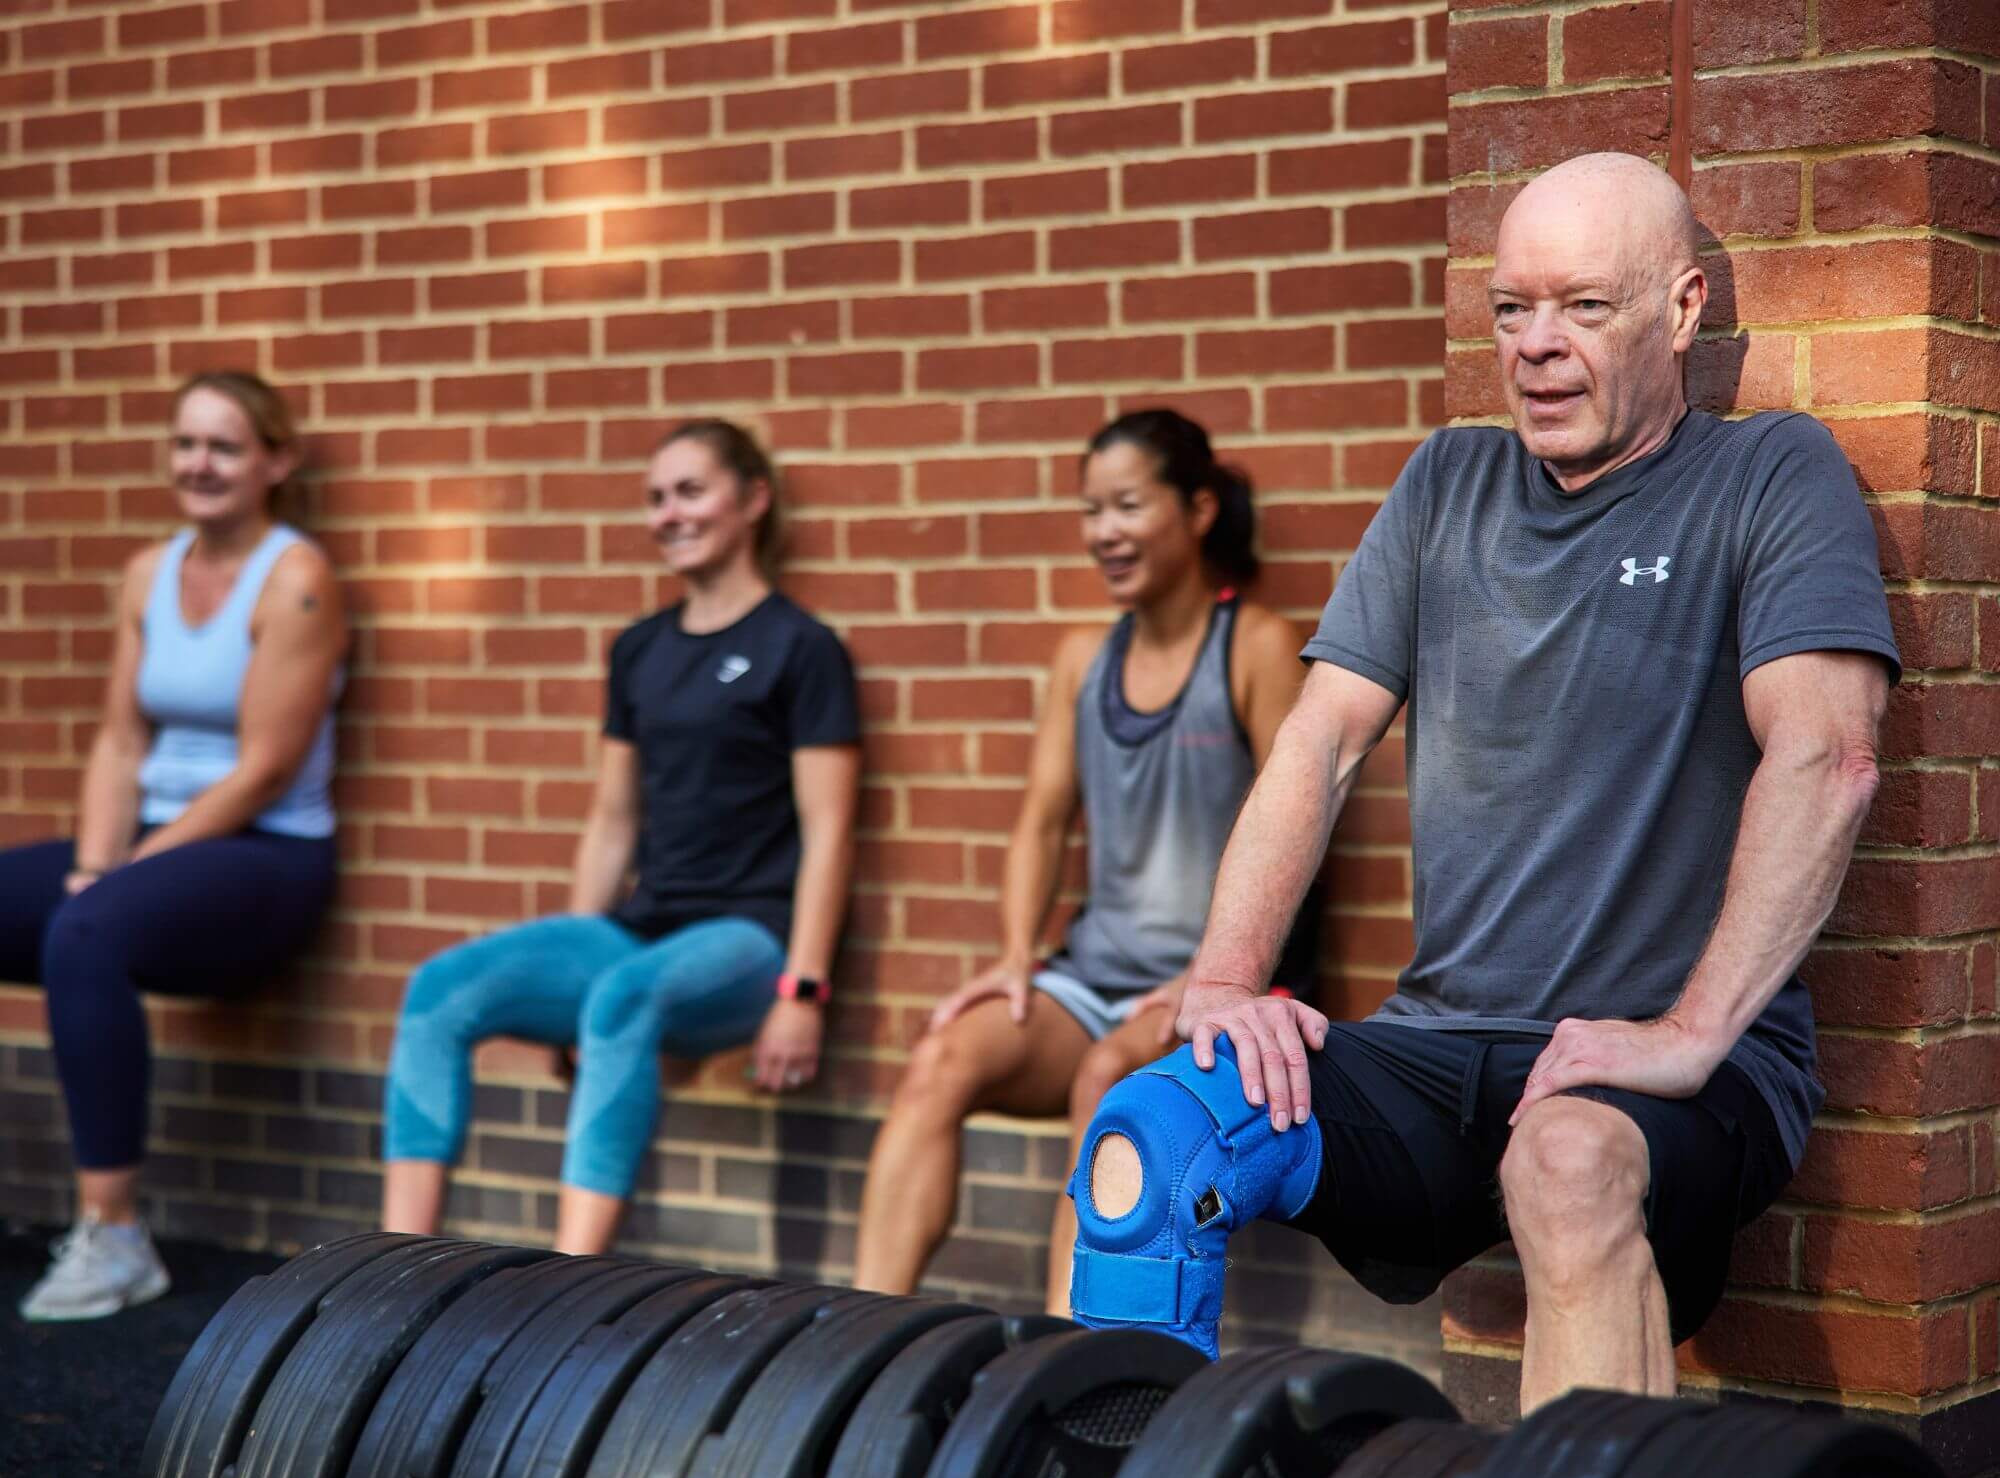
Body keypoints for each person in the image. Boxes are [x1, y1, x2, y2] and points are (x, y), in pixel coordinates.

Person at [1067, 153, 1899, 1406]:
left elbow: (1825, 756)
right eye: (1512, 309)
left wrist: (1684, 1037)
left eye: (1581, 307)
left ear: (1680, 313)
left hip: (1672, 1072)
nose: (1535, 346)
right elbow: (1318, 741)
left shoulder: (1767, 477)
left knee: (1563, 1164)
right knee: (1151, 1135)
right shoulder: (1444, 483)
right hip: (1436, 1050)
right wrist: (1227, 982)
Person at [853, 409, 1314, 1313]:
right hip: (1094, 974)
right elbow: (1039, 822)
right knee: (942, 1056)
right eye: (1090, 511)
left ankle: (1065, 1357)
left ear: (1199, 510)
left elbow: (1298, 829)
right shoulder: (1081, 659)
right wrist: (1018, 957)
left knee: (1108, 1079)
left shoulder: (1255, 645)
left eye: (1128, 506)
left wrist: (1214, 975)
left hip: (1221, 986)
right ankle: (858, 1337)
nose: (1103, 532)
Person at [380, 419, 860, 1255]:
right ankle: (395, 1265)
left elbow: (831, 830)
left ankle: (571, 1279)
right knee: (438, 991)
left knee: (623, 997)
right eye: (655, 497)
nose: (668, 514)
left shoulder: (801, 649)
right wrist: (573, 936)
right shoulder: (639, 650)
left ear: (752, 500)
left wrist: (803, 992)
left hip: (749, 937)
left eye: (690, 491)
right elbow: (612, 822)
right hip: (641, 925)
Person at [1, 371, 346, 1320]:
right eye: (186, 442)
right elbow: (120, 739)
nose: (199, 463)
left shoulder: (297, 580)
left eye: (226, 446)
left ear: (276, 461)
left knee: (85, 929)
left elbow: (263, 772)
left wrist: (116, 878)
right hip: (154, 843)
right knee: (61, 904)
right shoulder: (149, 572)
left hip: (266, 857)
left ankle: (114, 1239)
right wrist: (99, 857)